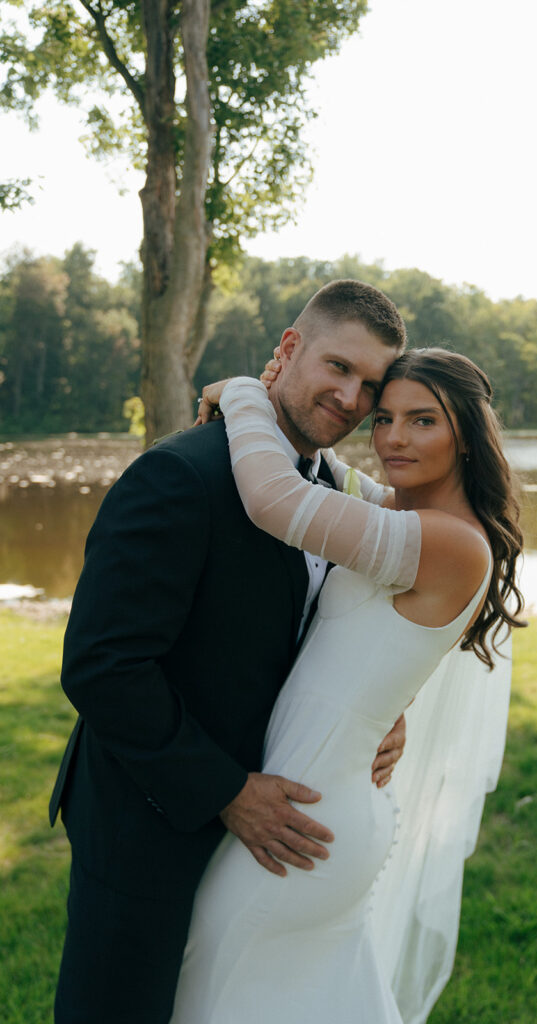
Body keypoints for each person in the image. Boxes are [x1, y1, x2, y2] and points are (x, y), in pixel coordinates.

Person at [49, 280, 410, 1024]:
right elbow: (102, 664)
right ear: (287, 349)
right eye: (337, 366)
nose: (350, 396)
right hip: (146, 823)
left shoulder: (324, 489)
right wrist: (225, 791)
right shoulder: (180, 474)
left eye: (369, 384)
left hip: (265, 829)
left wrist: (383, 711)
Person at [171, 346, 525, 1023]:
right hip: (316, 802)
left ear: (469, 437)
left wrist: (247, 393)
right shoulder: (395, 515)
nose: (392, 438)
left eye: (422, 421)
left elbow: (278, 499)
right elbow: (324, 479)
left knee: (207, 997)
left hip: (306, 822)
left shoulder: (451, 542)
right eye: (384, 418)